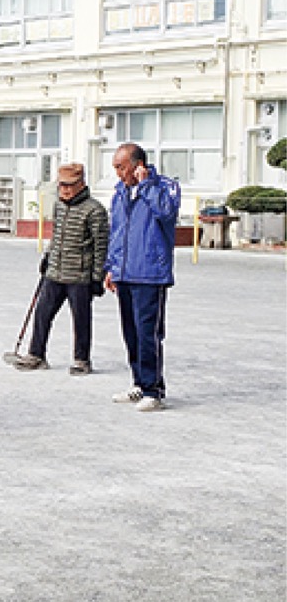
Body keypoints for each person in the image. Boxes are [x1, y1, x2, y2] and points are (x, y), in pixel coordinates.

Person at [8, 163, 110, 376]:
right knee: (42, 313)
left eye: (70, 185)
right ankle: (36, 354)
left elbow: (101, 246)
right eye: (62, 185)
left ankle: (82, 359)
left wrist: (97, 277)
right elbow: (56, 236)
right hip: (55, 271)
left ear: (81, 184)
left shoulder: (95, 210)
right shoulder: (59, 206)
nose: (65, 190)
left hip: (79, 274)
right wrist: (48, 256)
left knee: (81, 319)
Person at [104, 143, 181, 412]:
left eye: (121, 167)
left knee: (148, 333)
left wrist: (146, 186)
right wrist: (111, 267)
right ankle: (138, 382)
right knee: (131, 333)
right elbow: (116, 232)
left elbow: (167, 213)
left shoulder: (165, 187)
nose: (118, 173)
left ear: (138, 165)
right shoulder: (120, 193)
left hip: (150, 273)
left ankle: (153, 389)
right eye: (115, 167)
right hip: (125, 273)